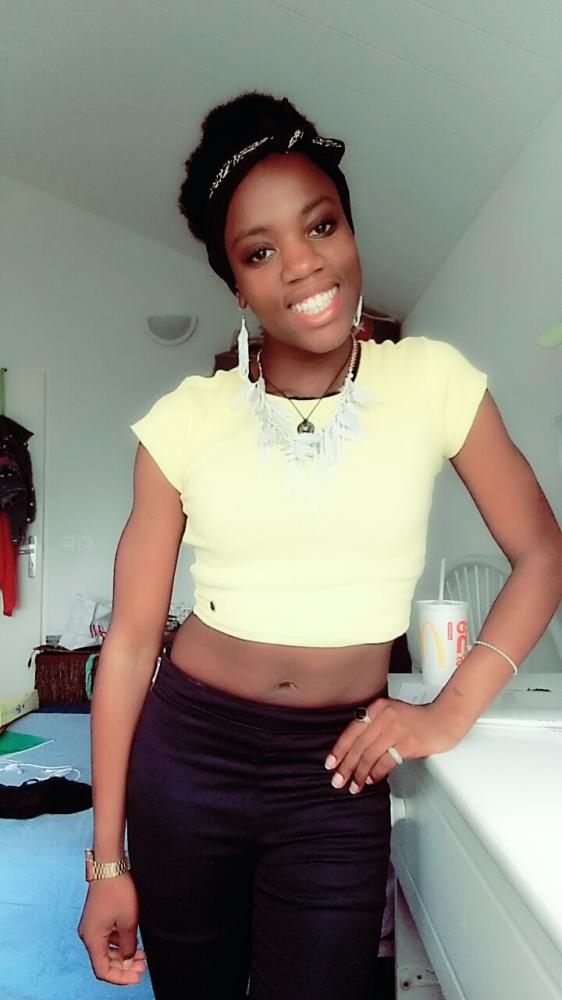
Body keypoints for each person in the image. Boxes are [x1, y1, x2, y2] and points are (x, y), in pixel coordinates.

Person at [78, 92, 562, 1000]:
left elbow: (542, 552)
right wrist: (107, 862)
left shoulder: (434, 383)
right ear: (235, 284)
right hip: (189, 759)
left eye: (321, 225)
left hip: (337, 772)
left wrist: (449, 712)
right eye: (259, 251)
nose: (302, 265)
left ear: (350, 227)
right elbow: (133, 644)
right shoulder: (186, 420)